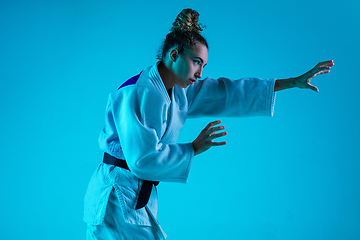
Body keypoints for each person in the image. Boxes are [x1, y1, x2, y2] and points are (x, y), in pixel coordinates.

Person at [83, 8, 334, 240]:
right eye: (196, 62)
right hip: (117, 194)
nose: (200, 73)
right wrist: (192, 148)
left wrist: (290, 82)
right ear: (174, 55)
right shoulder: (141, 92)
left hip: (133, 194)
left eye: (203, 65)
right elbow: (142, 159)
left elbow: (228, 92)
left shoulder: (179, 90)